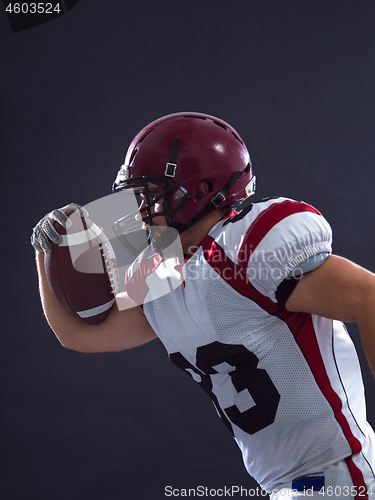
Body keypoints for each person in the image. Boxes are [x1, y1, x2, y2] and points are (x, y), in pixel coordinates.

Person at [31, 112, 375, 499]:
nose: (141, 210)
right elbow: (77, 336)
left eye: (150, 194)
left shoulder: (245, 248)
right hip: (288, 485)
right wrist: (46, 257)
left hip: (339, 475)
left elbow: (369, 297)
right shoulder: (159, 274)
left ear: (202, 188)